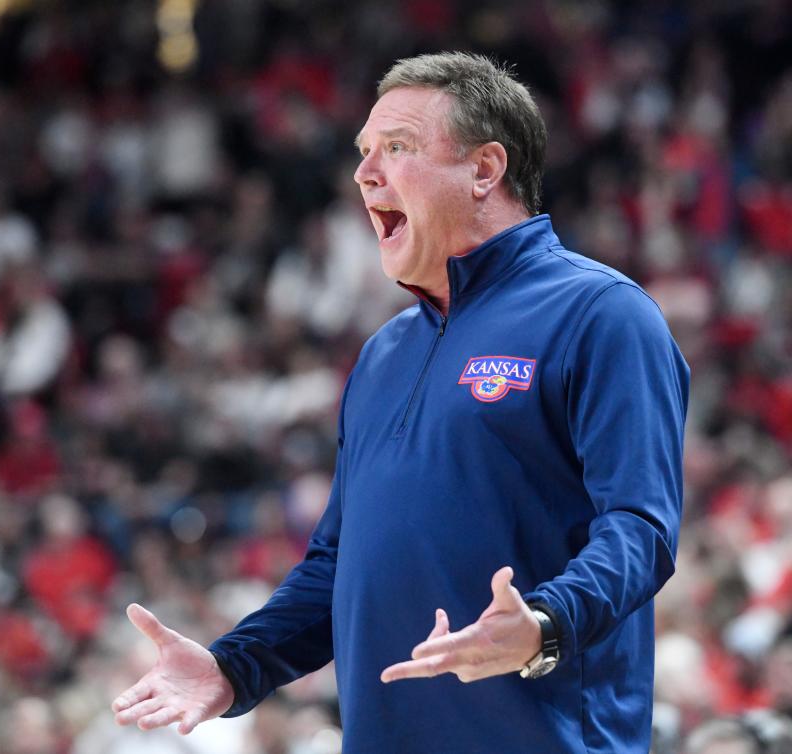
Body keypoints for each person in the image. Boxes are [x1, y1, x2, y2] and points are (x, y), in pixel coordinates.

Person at [112, 52, 690, 753]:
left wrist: (544, 621)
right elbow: (334, 565)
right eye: (363, 152)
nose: (364, 172)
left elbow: (640, 528)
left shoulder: (602, 315)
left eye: (399, 147)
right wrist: (233, 667)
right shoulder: (383, 355)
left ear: (484, 170)